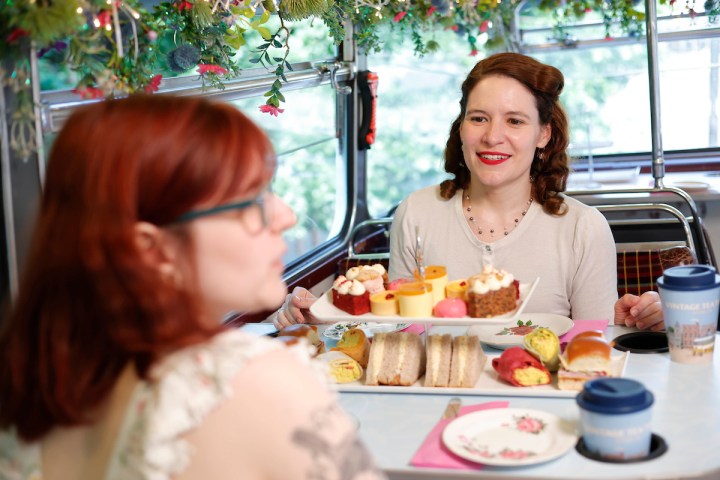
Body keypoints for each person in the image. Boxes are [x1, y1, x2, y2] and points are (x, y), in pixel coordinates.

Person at [0, 95, 386, 480]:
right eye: (249, 202)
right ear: (152, 248)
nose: (285, 215)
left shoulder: (32, 385)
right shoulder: (252, 380)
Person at [273, 52, 664, 331]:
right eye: (478, 118)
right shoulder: (417, 213)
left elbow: (590, 344)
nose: (493, 137)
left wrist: (647, 319)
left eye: (515, 120)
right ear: (461, 128)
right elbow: (397, 329)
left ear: (543, 134)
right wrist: (318, 319)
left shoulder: (584, 228)